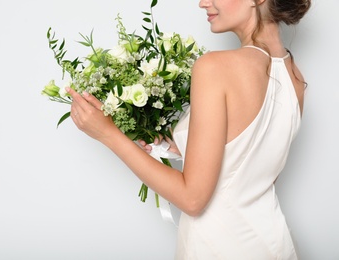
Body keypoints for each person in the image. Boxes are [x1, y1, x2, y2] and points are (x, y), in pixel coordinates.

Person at [65, 0, 311, 258]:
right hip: (273, 244)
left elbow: (192, 200)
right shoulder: (295, 77)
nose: (203, 2)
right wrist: (186, 146)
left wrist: (108, 134)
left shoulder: (215, 67)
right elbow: (253, 173)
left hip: (219, 247)